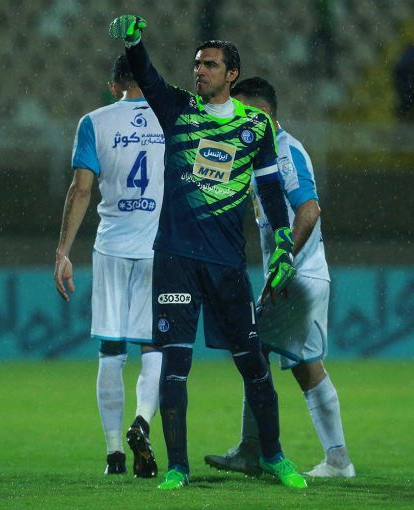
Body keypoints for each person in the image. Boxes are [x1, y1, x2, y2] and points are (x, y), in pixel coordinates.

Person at [109, 15, 305, 490]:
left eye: (210, 65)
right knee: (175, 366)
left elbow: (271, 191)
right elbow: (149, 77)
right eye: (197, 64)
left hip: (226, 264)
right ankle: (178, 467)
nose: (200, 70)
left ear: (232, 74)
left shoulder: (255, 126)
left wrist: (283, 244)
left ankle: (274, 456)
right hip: (176, 259)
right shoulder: (178, 109)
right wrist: (135, 44)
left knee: (253, 364)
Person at [204, 77, 355, 478]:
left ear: (263, 113)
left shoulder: (286, 151)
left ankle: (255, 450)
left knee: (253, 350)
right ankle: (336, 459)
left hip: (296, 276)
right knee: (305, 365)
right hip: (301, 275)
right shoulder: (261, 154)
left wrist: (285, 257)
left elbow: (309, 209)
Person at [54, 55, 166, 478]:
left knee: (112, 350)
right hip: (158, 248)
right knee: (154, 347)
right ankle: (142, 421)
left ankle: (114, 453)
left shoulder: (94, 122)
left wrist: (63, 252)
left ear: (112, 84)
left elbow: (81, 191)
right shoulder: (171, 117)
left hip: (112, 248)